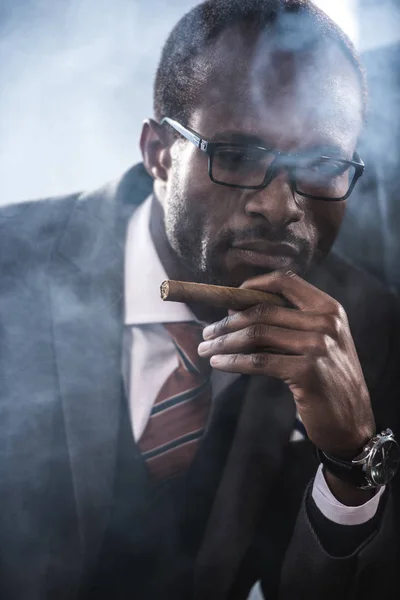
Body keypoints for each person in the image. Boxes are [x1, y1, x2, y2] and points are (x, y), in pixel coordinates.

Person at [0, 1, 399, 599]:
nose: (280, 206)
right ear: (159, 151)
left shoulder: (370, 324)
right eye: (237, 156)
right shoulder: (12, 261)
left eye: (320, 163)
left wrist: (351, 465)